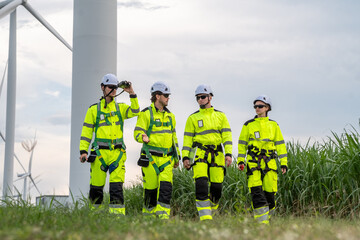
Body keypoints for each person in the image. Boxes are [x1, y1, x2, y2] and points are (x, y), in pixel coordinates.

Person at [79, 73, 140, 215]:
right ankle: (96, 219)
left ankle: (117, 221)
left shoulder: (121, 108)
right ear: (102, 87)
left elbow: (136, 111)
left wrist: (131, 93)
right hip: (99, 154)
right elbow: (86, 133)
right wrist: (83, 151)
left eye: (115, 87)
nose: (113, 90)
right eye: (110, 87)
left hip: (117, 155)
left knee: (116, 189)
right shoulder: (93, 110)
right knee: (96, 189)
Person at [182, 84, 233, 221]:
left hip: (218, 154)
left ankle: (212, 212)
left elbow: (227, 137)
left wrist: (228, 154)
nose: (200, 99)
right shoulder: (192, 118)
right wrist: (186, 157)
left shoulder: (221, 116)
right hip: (200, 154)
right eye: (197, 98)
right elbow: (187, 140)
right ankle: (205, 219)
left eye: (203, 97)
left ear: (210, 97)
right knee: (201, 185)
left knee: (217, 188)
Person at [237, 95, 288, 224]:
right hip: (253, 162)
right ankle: (262, 224)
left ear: (267, 108)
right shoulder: (248, 125)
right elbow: (242, 145)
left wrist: (284, 163)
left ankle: (269, 221)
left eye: (260, 106)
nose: (257, 108)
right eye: (255, 106)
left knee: (270, 194)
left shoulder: (274, 125)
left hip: (270, 163)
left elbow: (280, 145)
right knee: (256, 192)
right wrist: (240, 160)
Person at [134, 81, 180, 219]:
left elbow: (174, 138)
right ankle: (148, 220)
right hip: (150, 159)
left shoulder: (171, 116)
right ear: (157, 96)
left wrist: (177, 157)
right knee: (150, 192)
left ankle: (163, 220)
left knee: (166, 190)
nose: (168, 98)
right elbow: (137, 132)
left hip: (167, 159)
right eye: (166, 95)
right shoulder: (145, 114)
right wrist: (142, 137)